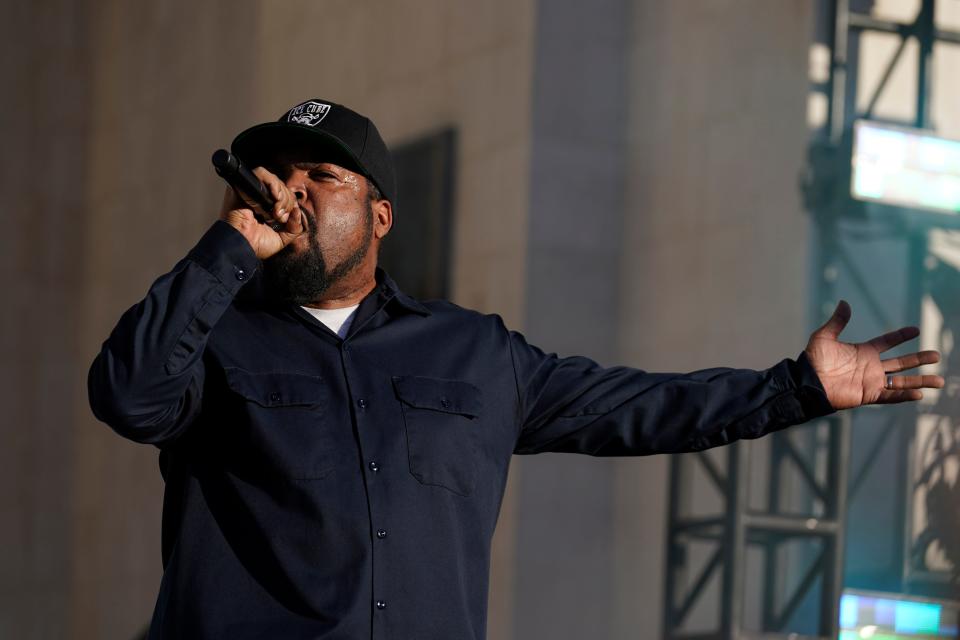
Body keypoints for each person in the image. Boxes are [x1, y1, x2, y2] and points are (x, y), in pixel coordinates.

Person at [88, 98, 944, 640]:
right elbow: (127, 395)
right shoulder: (214, 338)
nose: (293, 191)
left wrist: (794, 389)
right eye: (277, 178)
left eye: (321, 174)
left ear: (380, 214)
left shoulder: (472, 351)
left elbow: (636, 406)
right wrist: (229, 248)